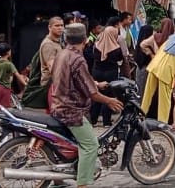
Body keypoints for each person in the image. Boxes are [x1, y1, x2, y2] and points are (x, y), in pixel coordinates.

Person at [50, 23, 123, 188]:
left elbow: (79, 81)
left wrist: (97, 83)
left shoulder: (63, 54)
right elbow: (92, 94)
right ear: (85, 39)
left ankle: (60, 177)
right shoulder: (78, 59)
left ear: (67, 38)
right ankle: (83, 184)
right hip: (71, 111)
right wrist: (110, 101)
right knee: (91, 145)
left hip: (58, 105)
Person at [90, 17, 125, 127]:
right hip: (111, 72)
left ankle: (93, 119)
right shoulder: (116, 48)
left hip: (96, 72)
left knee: (96, 94)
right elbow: (121, 60)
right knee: (109, 95)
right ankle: (106, 121)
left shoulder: (96, 45)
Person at [0, 42, 28, 110]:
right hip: (5, 88)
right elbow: (18, 76)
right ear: (8, 52)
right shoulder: (9, 64)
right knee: (5, 108)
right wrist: (25, 84)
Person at [133, 24, 156, 94]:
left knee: (139, 91)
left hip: (139, 70)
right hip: (146, 71)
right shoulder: (147, 47)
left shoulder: (138, 46)